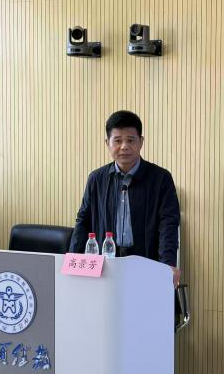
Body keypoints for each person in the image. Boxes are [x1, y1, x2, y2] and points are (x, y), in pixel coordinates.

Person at [69, 110, 181, 286]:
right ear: (107, 143)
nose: (124, 147)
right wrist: (72, 259)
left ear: (141, 142)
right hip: (106, 265)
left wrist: (168, 265)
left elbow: (168, 224)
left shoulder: (161, 178)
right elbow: (83, 221)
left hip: (146, 262)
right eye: (117, 140)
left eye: (130, 140)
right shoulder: (96, 179)